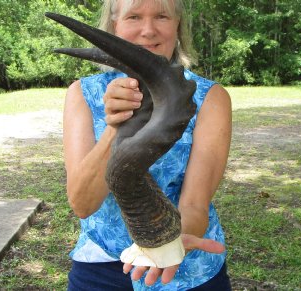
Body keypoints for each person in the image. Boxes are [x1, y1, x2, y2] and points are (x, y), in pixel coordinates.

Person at [63, 0, 232, 290]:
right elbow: (83, 204)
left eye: (162, 16)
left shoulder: (211, 98)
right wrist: (117, 126)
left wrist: (169, 246)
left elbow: (194, 204)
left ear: (178, 26)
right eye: (134, 16)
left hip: (185, 267)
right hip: (100, 268)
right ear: (115, 26)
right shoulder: (82, 94)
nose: (148, 30)